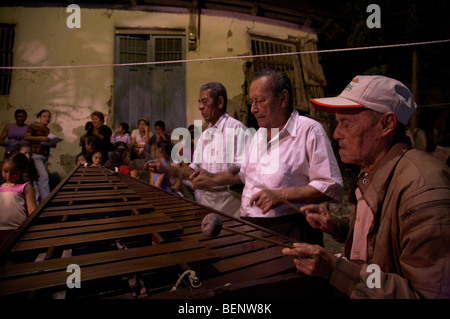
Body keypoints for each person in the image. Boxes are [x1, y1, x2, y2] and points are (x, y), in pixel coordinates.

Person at [282, 75, 450, 298]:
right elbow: (381, 233)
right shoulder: (373, 170)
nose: (336, 133)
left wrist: (336, 269)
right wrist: (337, 226)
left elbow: (426, 294)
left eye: (346, 123)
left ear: (386, 124)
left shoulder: (423, 188)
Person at [190, 69, 343, 245]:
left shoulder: (309, 130)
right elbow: (242, 174)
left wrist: (282, 195)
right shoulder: (258, 136)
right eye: (251, 102)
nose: (254, 109)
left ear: (283, 98)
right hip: (251, 226)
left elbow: (332, 185)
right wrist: (212, 178)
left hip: (290, 229)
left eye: (260, 101)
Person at [146, 82, 248, 219]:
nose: (200, 107)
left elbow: (244, 174)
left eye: (205, 102)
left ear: (220, 102)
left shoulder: (237, 130)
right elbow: (193, 171)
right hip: (207, 205)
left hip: (230, 209)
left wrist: (212, 180)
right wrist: (167, 169)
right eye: (199, 102)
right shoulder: (205, 135)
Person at [0, 152, 37, 244]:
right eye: (5, 171)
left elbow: (32, 210)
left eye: (14, 173)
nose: (8, 176)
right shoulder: (1, 187)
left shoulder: (26, 186)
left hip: (17, 229)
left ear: (22, 170)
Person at [24, 109, 54, 203]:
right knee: (44, 177)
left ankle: (36, 201)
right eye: (44, 116)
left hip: (44, 154)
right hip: (35, 154)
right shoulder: (33, 126)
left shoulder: (47, 129)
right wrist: (41, 138)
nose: (47, 118)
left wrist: (52, 143)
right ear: (39, 117)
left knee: (38, 178)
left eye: (49, 117)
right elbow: (27, 137)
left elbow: (45, 141)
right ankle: (46, 201)